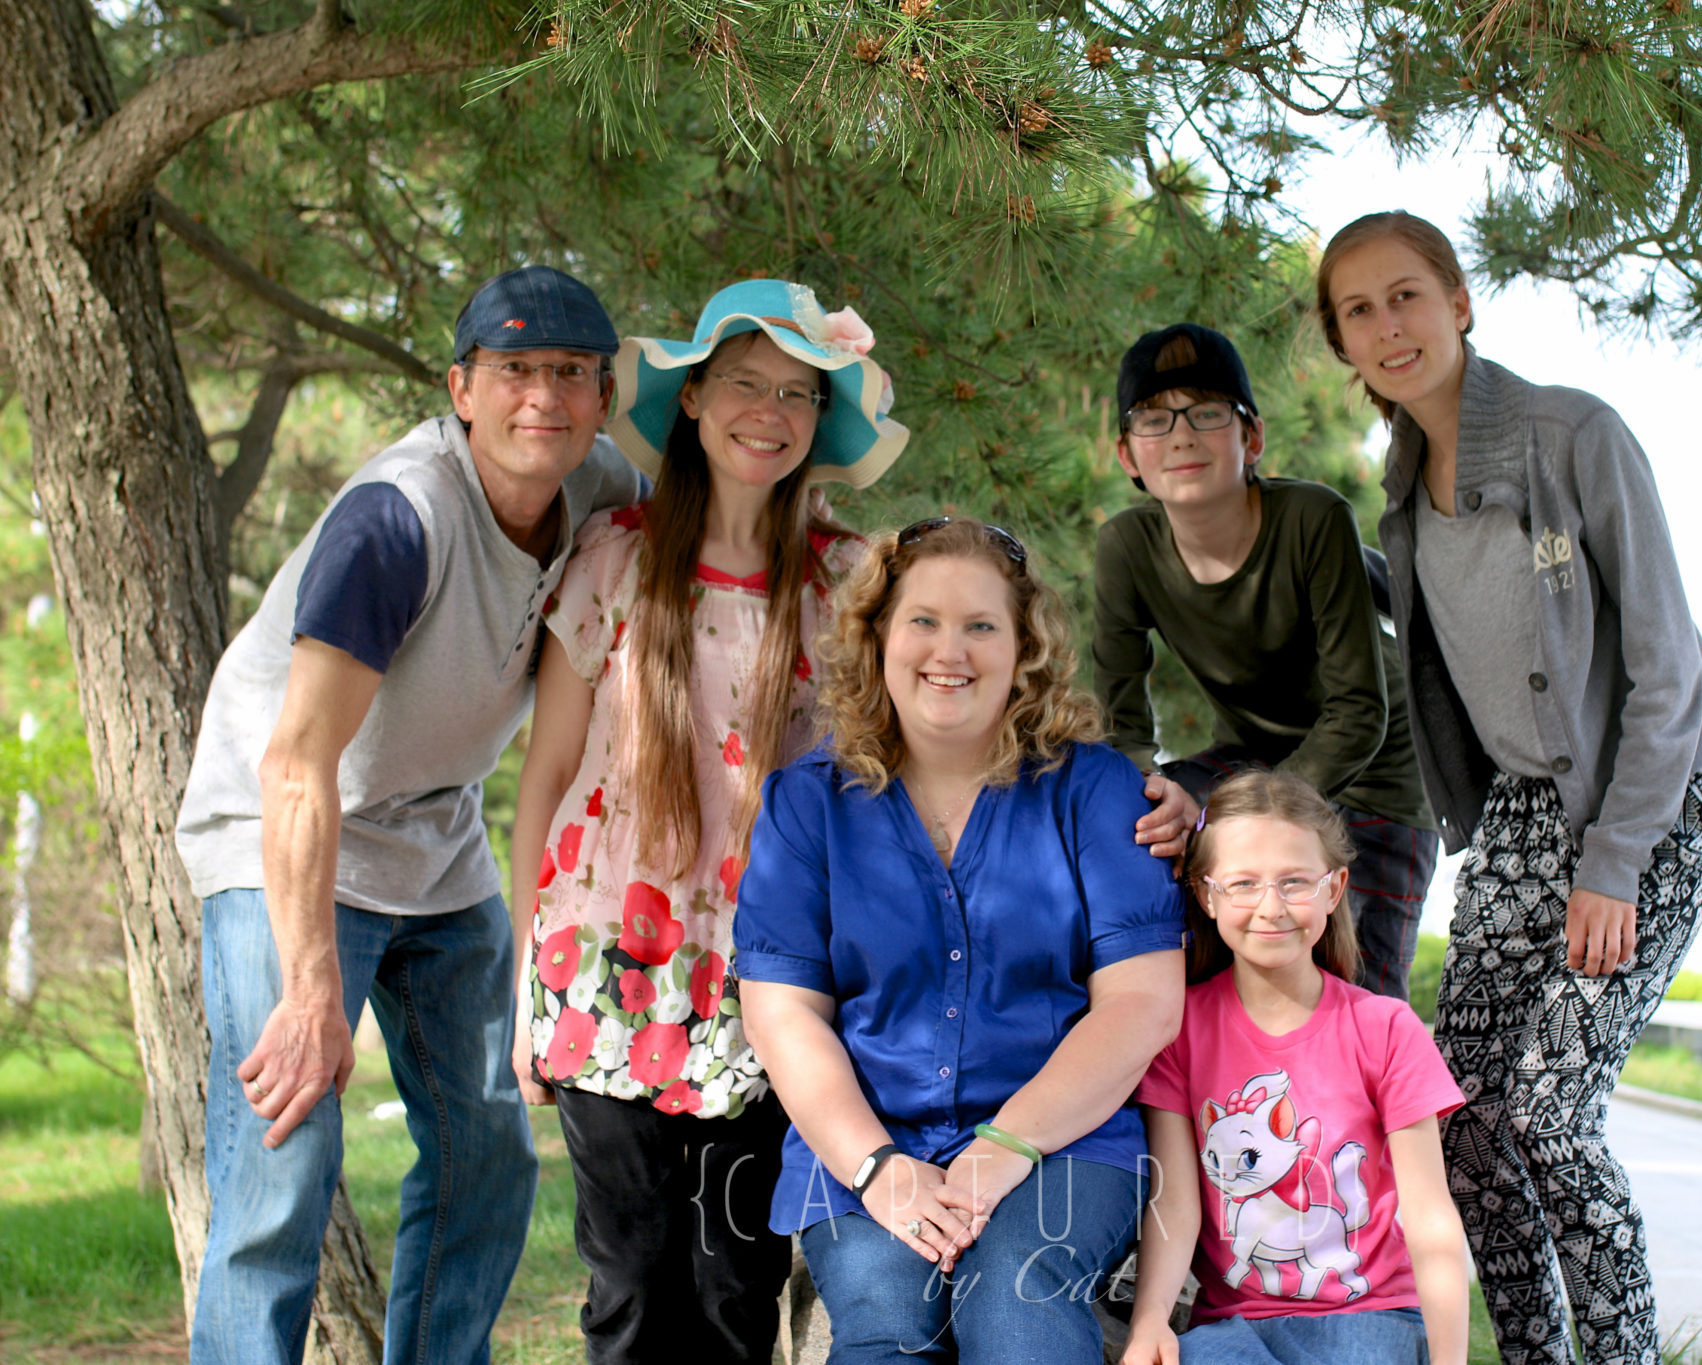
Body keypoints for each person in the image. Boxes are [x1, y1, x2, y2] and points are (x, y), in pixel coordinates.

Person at [174, 265, 645, 1365]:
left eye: (571, 372)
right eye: (513, 369)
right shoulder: (396, 518)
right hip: (286, 827)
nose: (544, 396)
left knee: (490, 1150)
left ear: (604, 397)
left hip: (434, 834)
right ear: (461, 388)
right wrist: (308, 995)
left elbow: (726, 528)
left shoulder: (601, 486)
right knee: (285, 1154)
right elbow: (297, 764)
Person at [1316, 210, 1702, 1365]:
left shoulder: (1573, 436)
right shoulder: (1402, 489)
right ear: (1341, 345)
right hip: (1520, 809)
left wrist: (1615, 862)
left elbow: (1667, 667)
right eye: (1357, 310)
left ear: (1457, 302)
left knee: (1551, 1117)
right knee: (1456, 1120)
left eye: (1405, 295)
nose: (1387, 325)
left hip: (1658, 794)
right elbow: (1437, 625)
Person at [506, 279, 905, 1364]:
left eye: (795, 392)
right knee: (632, 1289)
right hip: (601, 969)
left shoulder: (847, 584)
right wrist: (517, 983)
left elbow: (884, 784)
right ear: (690, 398)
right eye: (742, 383)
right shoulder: (615, 555)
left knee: (737, 1291)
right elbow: (546, 774)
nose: (767, 412)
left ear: (819, 419)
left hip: (771, 984)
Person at [735, 517, 1186, 1365]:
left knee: (1015, 1297)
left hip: (1064, 1141)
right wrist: (877, 1167)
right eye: (924, 620)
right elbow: (782, 1012)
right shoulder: (807, 802)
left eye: (982, 624)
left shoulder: (1093, 787)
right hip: (867, 1143)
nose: (951, 650)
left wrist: (1005, 1147)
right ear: (878, 637)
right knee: (884, 1322)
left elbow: (1143, 1000)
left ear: (1024, 649)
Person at [1091, 323, 1437, 1000]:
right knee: (1134, 821)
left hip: (1377, 770)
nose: (1181, 436)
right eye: (1154, 419)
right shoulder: (1126, 547)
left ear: (1252, 438)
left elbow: (1359, 714)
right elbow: (1121, 725)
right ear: (1127, 453)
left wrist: (1238, 816)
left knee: (1357, 987)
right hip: (1253, 754)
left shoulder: (1313, 518)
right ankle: (1150, 1025)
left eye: (1207, 412)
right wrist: (1158, 796)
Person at [1125, 771, 1467, 1365]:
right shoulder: (1177, 1031)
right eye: (1243, 883)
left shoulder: (1386, 1029)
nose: (1271, 906)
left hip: (1369, 1317)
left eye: (1294, 882)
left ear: (1334, 889)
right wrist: (1150, 1318)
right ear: (1206, 895)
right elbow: (1175, 1202)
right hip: (1233, 1328)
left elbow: (1430, 1219)